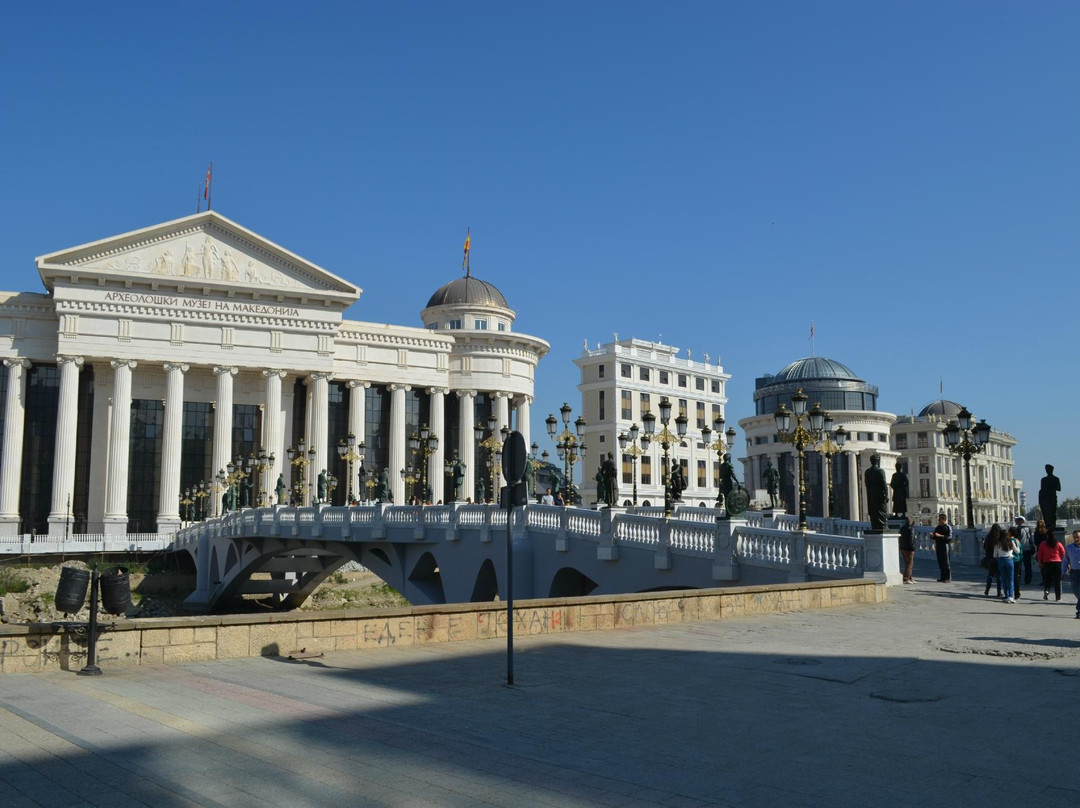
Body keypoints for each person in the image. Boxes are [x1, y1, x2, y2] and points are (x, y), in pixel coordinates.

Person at [1037, 529, 1066, 601]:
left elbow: (1039, 554)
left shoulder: (1043, 544)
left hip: (1047, 563)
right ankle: (1058, 597)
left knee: (1047, 579)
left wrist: (1040, 562)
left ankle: (1047, 590)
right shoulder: (1058, 543)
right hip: (1057, 563)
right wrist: (1065, 562)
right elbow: (1063, 553)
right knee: (1057, 581)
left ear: (1046, 536)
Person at [993, 523, 1019, 604]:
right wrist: (1017, 545)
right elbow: (1017, 552)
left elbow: (994, 555)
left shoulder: (998, 543)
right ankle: (1011, 596)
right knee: (1011, 579)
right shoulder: (1011, 542)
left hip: (1001, 560)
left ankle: (1006, 595)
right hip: (1009, 560)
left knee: (1004, 578)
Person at [864, 454, 889, 531]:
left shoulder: (867, 472)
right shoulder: (880, 471)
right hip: (880, 496)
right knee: (882, 511)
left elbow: (866, 484)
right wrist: (886, 495)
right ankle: (882, 526)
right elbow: (884, 483)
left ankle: (875, 526)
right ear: (877, 461)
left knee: (874, 512)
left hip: (871, 496)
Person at [931, 513, 952, 582]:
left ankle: (948, 578)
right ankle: (942, 577)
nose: (938, 520)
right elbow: (935, 536)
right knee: (940, 561)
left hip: (945, 545)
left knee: (946, 561)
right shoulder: (938, 527)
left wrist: (940, 535)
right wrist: (932, 536)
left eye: (939, 519)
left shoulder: (948, 527)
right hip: (938, 545)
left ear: (943, 519)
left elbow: (949, 537)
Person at [982, 524, 1002, 598]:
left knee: (990, 574)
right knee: (998, 576)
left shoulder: (988, 537)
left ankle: (987, 589)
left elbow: (984, 547)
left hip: (989, 557)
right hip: (997, 557)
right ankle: (999, 591)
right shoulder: (999, 537)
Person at [1064, 530, 1080, 619]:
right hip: (1074, 572)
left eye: (1078, 537)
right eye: (1074, 537)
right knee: (1075, 591)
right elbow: (1065, 560)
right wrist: (1063, 572)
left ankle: (1079, 611)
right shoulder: (1069, 548)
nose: (1076, 539)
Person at [1039, 464, 1060, 530]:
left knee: (1052, 513)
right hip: (1046, 499)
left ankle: (1052, 526)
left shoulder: (1056, 479)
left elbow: (1059, 488)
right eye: (1047, 470)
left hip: (1052, 498)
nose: (1047, 471)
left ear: (1051, 470)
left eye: (1048, 470)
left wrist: (1050, 486)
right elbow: (1042, 490)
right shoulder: (1043, 479)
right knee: (1047, 513)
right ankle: (1049, 525)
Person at [1032, 519, 1051, 588]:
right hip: (1047, 551)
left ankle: (1044, 580)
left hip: (1040, 551)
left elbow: (1036, 542)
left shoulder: (1036, 532)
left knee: (1042, 567)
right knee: (1048, 567)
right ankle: (1049, 580)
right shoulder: (1047, 532)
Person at [1015, 516, 1034, 585]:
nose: (1015, 521)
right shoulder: (1028, 528)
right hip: (1028, 548)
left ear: (1020, 521)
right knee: (1028, 565)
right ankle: (1028, 579)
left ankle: (1018, 579)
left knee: (1018, 565)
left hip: (1021, 549)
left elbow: (1017, 540)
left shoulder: (1018, 529)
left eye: (1016, 520)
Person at [898, 516, 916, 584]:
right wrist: (913, 548)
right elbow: (911, 539)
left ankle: (910, 577)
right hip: (909, 548)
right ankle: (906, 578)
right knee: (909, 564)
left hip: (903, 548)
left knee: (906, 563)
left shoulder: (902, 528)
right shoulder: (911, 529)